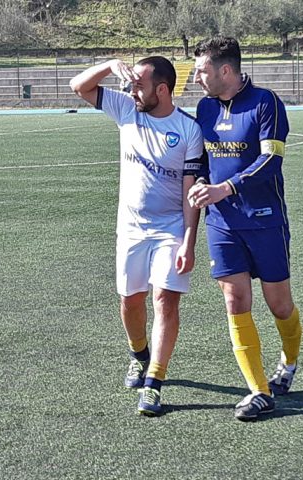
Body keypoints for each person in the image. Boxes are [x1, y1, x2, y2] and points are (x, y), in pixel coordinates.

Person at [69, 56, 204, 417]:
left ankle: (154, 383)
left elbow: (190, 193)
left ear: (162, 89)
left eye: (139, 84)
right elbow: (78, 86)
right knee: (131, 301)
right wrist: (109, 64)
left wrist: (189, 241)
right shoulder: (128, 110)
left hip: (171, 229)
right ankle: (138, 354)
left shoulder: (189, 130)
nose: (132, 89)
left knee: (165, 300)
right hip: (130, 228)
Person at [190, 37, 303, 422]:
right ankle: (259, 391)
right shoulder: (203, 108)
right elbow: (203, 161)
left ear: (225, 70)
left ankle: (287, 364)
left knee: (279, 305)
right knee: (235, 301)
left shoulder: (265, 102)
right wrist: (204, 185)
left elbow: (271, 159)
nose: (195, 77)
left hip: (264, 219)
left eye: (201, 70)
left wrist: (227, 186)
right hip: (221, 222)